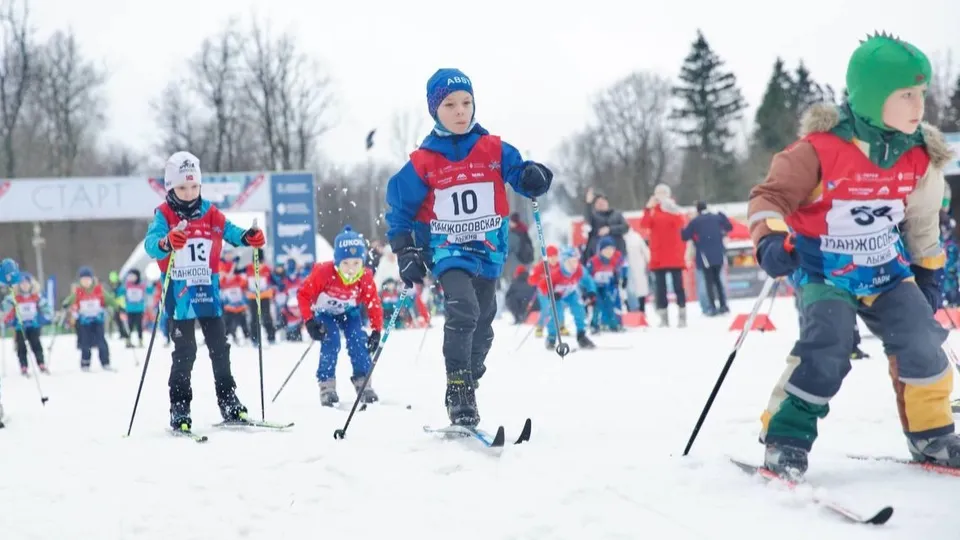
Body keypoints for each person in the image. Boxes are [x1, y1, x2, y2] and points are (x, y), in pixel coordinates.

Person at [748, 33, 959, 477]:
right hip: (824, 269)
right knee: (829, 346)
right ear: (872, 95)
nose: (918, 105)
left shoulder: (922, 156)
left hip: (886, 271)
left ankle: (932, 434)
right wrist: (770, 239)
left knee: (923, 341)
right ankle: (784, 438)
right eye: (905, 94)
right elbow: (770, 198)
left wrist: (928, 275)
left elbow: (921, 225)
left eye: (920, 93)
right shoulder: (818, 150)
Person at [384, 68, 552, 428]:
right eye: (450, 104)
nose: (460, 111)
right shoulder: (423, 161)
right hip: (446, 250)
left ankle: (470, 372)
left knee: (484, 324)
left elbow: (522, 175)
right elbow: (400, 209)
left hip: (488, 251)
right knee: (463, 309)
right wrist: (405, 251)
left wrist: (533, 177)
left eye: (466, 103)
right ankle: (459, 391)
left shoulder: (493, 149)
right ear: (435, 110)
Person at [143, 151, 266, 432]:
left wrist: (249, 237)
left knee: (220, 349)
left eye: (194, 186)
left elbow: (231, 232)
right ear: (171, 188)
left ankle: (228, 400)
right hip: (179, 295)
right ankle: (180, 406)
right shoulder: (164, 214)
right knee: (185, 352)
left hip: (207, 292)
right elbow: (151, 243)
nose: (189, 193)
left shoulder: (210, 212)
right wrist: (165, 242)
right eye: (182, 188)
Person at [297, 226, 384, 407]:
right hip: (325, 313)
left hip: (349, 313)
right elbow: (303, 294)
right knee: (332, 339)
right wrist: (310, 321)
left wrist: (376, 330)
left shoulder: (365, 277)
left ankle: (363, 382)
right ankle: (327, 385)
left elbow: (373, 303)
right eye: (345, 263)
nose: (351, 269)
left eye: (356, 263)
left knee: (357, 340)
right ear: (337, 261)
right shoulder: (323, 272)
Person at [640, 184, 688, 327]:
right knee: (660, 289)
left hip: (674, 254)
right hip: (658, 255)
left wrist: (673, 210)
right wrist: (648, 208)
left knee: (678, 286)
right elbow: (644, 224)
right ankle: (663, 317)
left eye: (663, 193)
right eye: (658, 193)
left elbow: (681, 223)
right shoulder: (652, 211)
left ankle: (682, 315)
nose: (660, 196)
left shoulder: (674, 209)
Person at [62, 266, 119, 371]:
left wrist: (117, 306)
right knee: (85, 343)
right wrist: (66, 303)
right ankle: (85, 363)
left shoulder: (98, 289)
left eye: (88, 279)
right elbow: (71, 299)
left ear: (92, 279)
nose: (86, 282)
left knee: (101, 341)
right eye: (83, 280)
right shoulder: (78, 291)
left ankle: (105, 362)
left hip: (98, 319)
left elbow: (109, 299)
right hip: (84, 321)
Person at [681, 201, 732, 316]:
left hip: (704, 256)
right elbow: (729, 227)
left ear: (697, 210)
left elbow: (684, 235)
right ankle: (723, 305)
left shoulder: (695, 221)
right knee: (719, 280)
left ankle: (712, 307)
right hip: (718, 254)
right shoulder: (716, 218)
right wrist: (722, 214)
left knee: (708, 281)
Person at [1, 272, 52, 375]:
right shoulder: (14, 298)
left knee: (36, 345)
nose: (24, 286)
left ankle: (41, 363)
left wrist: (45, 318)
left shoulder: (36, 297)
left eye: (26, 283)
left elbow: (46, 308)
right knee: (21, 347)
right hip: (20, 327)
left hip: (33, 326)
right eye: (22, 284)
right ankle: (23, 365)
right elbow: (6, 308)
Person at [587, 236, 628, 331]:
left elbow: (620, 268)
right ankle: (595, 325)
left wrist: (620, 278)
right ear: (601, 250)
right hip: (595, 287)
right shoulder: (594, 261)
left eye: (612, 249)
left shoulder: (615, 259)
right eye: (607, 249)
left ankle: (614, 324)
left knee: (610, 303)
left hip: (606, 286)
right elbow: (587, 277)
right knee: (597, 304)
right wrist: (588, 292)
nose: (610, 252)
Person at [118, 269, 147, 347]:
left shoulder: (141, 285)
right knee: (129, 325)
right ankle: (128, 340)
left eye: (133, 276)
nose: (131, 278)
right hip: (129, 309)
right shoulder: (126, 285)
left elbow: (149, 290)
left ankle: (140, 340)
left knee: (139, 326)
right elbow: (119, 292)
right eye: (130, 276)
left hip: (139, 309)